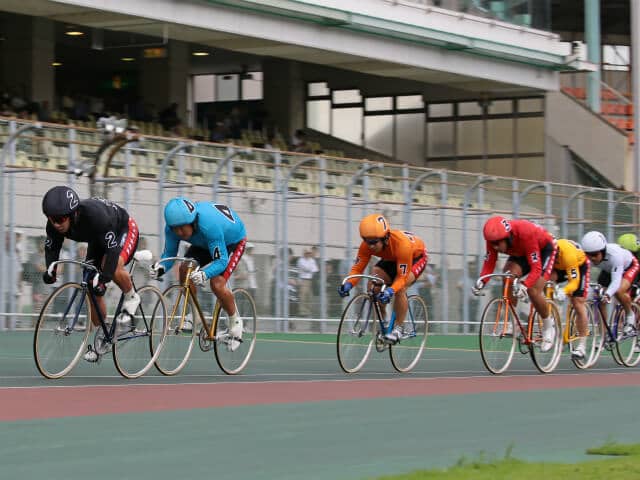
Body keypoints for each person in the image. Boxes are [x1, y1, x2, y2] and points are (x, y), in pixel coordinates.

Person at [41, 186, 140, 362]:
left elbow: (112, 251)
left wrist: (104, 278)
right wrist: (51, 270)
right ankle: (104, 334)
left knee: (112, 267)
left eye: (60, 219)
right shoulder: (54, 226)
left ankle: (132, 297)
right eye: (52, 219)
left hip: (122, 228)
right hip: (98, 236)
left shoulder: (94, 217)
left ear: (73, 214)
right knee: (90, 286)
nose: (56, 224)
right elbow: (52, 249)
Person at [150, 197, 247, 350]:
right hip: (205, 243)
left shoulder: (209, 224)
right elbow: (169, 254)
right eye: (175, 229)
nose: (179, 233)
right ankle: (195, 315)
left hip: (232, 241)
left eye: (182, 228)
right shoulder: (171, 229)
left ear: (193, 221)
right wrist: (160, 268)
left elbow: (221, 261)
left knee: (217, 284)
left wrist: (204, 273)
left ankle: (235, 321)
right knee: (184, 269)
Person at [338, 213, 428, 343]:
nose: (370, 246)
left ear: (385, 238)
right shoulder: (366, 246)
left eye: (374, 242)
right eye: (367, 241)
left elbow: (401, 278)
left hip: (415, 257)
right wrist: (348, 284)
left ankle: (398, 328)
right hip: (392, 257)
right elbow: (357, 269)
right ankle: (384, 325)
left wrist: (390, 291)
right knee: (373, 285)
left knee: (400, 288)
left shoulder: (402, 245)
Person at [472, 216, 558, 352]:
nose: (495, 247)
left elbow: (536, 269)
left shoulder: (525, 233)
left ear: (507, 237)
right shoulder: (493, 239)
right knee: (507, 276)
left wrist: (525, 285)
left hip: (544, 250)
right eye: (492, 244)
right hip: (522, 252)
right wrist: (482, 281)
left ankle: (548, 326)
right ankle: (513, 323)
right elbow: (489, 263)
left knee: (533, 290)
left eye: (497, 243)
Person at [581, 231, 639, 337]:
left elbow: (616, 281)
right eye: (588, 255)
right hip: (609, 269)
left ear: (603, 251)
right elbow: (584, 277)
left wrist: (608, 294)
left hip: (629, 267)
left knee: (619, 291)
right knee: (599, 297)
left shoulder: (615, 255)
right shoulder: (588, 257)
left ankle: (630, 317)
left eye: (595, 254)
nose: (592, 258)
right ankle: (604, 335)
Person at [550, 239, 591, 359]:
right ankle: (550, 317)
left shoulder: (568, 254)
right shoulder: (546, 253)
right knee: (546, 281)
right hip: (560, 267)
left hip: (579, 265)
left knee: (577, 301)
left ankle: (582, 346)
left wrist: (564, 290)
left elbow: (574, 282)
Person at [297, 247, 319, 317]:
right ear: (304, 253)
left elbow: (315, 270)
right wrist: (310, 269)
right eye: (306, 253)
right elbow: (306, 268)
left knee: (309, 296)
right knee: (303, 296)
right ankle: (302, 312)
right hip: (303, 280)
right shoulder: (301, 260)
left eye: (309, 253)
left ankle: (308, 312)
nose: (307, 254)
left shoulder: (312, 260)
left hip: (310, 280)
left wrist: (310, 269)